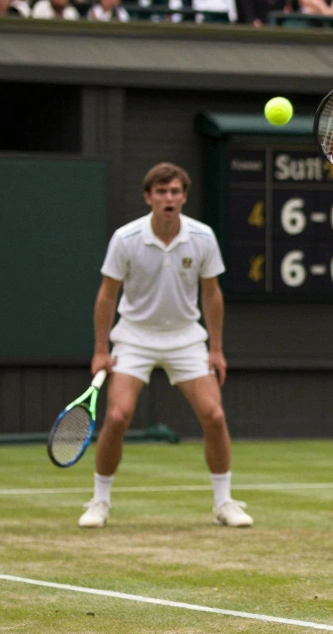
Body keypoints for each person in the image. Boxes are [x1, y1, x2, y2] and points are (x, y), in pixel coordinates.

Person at [81, 162, 253, 530]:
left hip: (185, 338)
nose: (168, 198)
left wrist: (216, 348)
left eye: (175, 192)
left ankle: (224, 502)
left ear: (184, 197)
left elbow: (212, 294)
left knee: (215, 416)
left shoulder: (203, 237)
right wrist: (100, 349)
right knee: (116, 416)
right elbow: (106, 295)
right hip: (134, 336)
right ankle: (99, 501)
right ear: (149, 198)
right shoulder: (125, 239)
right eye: (161, 192)